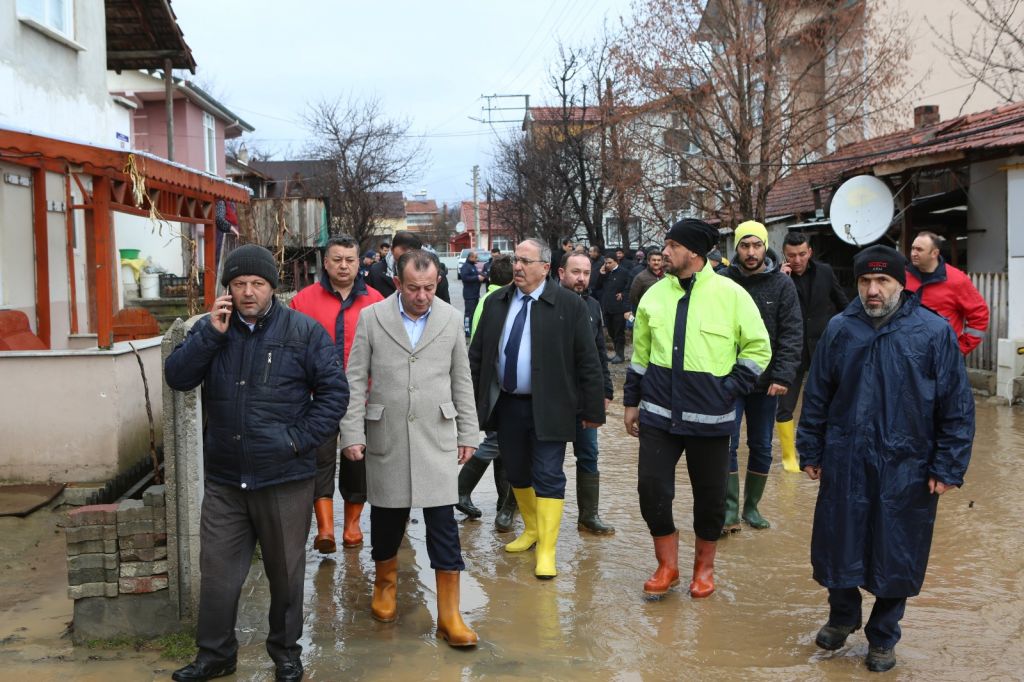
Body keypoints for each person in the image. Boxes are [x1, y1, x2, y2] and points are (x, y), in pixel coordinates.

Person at [165, 244, 348, 682]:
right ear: (228, 287)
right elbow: (178, 377)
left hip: (284, 477)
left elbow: (334, 395)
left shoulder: (303, 332)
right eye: (239, 284)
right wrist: (210, 333)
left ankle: (285, 653)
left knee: (285, 576)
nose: (248, 292)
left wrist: (295, 441)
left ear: (273, 287)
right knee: (218, 577)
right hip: (227, 478)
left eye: (257, 284)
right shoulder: (214, 330)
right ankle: (215, 655)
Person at [798, 244, 974, 674]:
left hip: (908, 464)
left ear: (901, 283)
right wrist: (811, 448)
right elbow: (818, 394)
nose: (872, 290)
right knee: (839, 543)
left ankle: (883, 635)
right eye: (864, 281)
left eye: (882, 281)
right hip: (846, 458)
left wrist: (947, 466)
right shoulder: (841, 329)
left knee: (898, 550)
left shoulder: (933, 333)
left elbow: (956, 406)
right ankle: (842, 617)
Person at [339, 249, 480, 647]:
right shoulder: (372, 317)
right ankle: (385, 585)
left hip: (436, 432)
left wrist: (468, 432)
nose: (422, 296)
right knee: (386, 518)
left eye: (430, 288)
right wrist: (352, 433)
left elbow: (461, 380)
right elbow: (354, 381)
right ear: (397, 283)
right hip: (386, 434)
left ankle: (450, 614)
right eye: (414, 288)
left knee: (442, 524)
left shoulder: (451, 320)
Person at [623, 218, 770, 599]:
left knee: (710, 499)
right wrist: (631, 402)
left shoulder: (732, 295)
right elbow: (639, 355)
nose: (664, 252)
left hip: (711, 418)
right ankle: (667, 566)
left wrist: (732, 389)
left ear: (694, 253)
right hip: (658, 413)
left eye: (671, 246)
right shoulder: (654, 295)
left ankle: (703, 570)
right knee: (651, 490)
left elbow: (758, 348)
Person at [469, 238, 605, 579]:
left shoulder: (569, 305)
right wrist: (472, 402)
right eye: (516, 260)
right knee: (516, 472)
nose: (517, 266)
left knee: (548, 473)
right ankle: (530, 529)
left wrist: (592, 410)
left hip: (552, 406)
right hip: (508, 404)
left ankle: (547, 549)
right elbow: (478, 357)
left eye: (526, 261)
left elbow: (588, 361)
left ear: (545, 268)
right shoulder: (496, 302)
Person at [290, 236, 384, 554]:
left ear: (359, 264)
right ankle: (325, 528)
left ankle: (353, 525)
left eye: (350, 260)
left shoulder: (376, 301)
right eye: (337, 259)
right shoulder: (303, 302)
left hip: (363, 396)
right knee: (320, 459)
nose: (343, 265)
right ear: (325, 262)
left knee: (358, 459)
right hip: (317, 396)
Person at [719, 221, 802, 532]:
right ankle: (728, 510)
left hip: (767, 382)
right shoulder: (722, 282)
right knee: (726, 442)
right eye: (744, 245)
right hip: (729, 379)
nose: (751, 252)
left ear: (766, 247)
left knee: (762, 444)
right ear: (736, 248)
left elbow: (792, 333)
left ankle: (751, 507)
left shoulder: (782, 286)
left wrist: (783, 375)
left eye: (756, 245)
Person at [776, 232, 849, 472]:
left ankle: (825, 450)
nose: (796, 260)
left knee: (825, 401)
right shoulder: (776, 277)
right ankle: (789, 458)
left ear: (810, 253)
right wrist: (780, 282)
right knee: (785, 405)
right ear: (784, 255)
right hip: (790, 350)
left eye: (801, 254)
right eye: (791, 255)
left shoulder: (825, 272)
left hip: (822, 348)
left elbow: (843, 305)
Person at [458, 254, 518, 532]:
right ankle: (459, 490)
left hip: (494, 386)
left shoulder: (487, 300)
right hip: (497, 388)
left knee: (504, 450)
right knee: (497, 443)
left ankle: (504, 504)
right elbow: (486, 349)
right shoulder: (496, 303)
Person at [558, 252, 615, 534]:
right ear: (560, 273)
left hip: (586, 396)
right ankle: (525, 514)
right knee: (547, 459)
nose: (581, 278)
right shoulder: (547, 303)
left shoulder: (593, 305)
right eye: (575, 272)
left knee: (589, 454)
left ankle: (588, 516)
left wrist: (606, 390)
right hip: (554, 398)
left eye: (586, 272)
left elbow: (599, 353)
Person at [905, 230, 989, 356]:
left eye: (919, 250)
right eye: (912, 248)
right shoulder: (902, 277)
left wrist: (960, 348)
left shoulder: (957, 280)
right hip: (907, 354)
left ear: (934, 253)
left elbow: (979, 315)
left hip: (942, 356)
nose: (913, 253)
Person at [367, 230, 450, 303]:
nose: (408, 253)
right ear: (392, 249)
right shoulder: (376, 272)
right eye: (404, 248)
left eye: (413, 249)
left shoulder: (434, 274)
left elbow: (445, 309)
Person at [597, 252, 632, 364]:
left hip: (619, 307)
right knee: (611, 331)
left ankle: (620, 354)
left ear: (615, 262)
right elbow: (597, 286)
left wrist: (623, 293)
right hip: (607, 307)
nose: (607, 265)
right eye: (606, 263)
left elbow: (630, 287)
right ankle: (616, 353)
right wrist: (601, 274)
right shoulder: (605, 273)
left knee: (618, 332)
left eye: (609, 262)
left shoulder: (624, 272)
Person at [459, 249, 485, 335]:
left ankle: (472, 328)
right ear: (471, 257)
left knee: (474, 313)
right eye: (475, 257)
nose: (477, 258)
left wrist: (483, 276)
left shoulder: (473, 266)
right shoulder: (466, 266)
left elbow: (477, 274)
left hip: (475, 294)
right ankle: (467, 330)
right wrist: (477, 278)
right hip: (469, 294)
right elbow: (465, 278)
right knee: (468, 314)